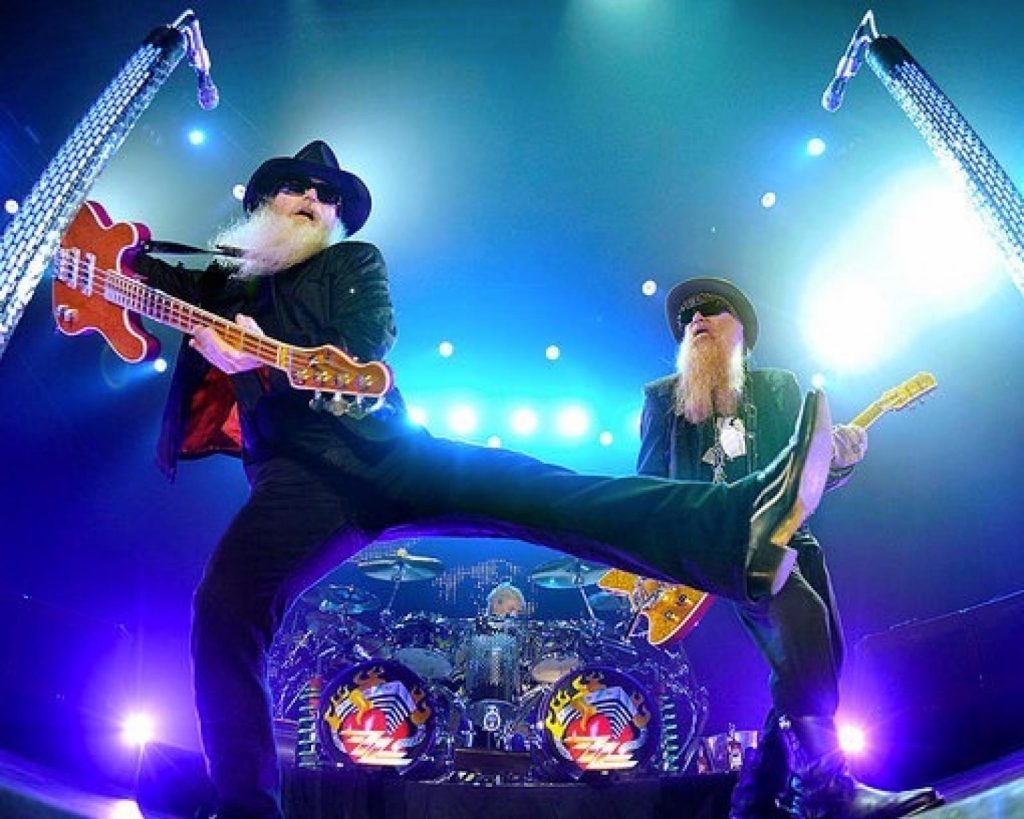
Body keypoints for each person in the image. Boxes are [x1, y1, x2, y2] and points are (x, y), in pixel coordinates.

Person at [128, 141, 835, 819]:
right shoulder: (221, 283)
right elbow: (122, 274)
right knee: (222, 610)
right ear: (260, 203)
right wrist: (92, 273)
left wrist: (256, 353)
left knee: (547, 491)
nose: (315, 199)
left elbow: (363, 350)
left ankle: (737, 526)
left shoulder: (353, 262)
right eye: (299, 187)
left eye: (329, 195)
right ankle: (247, 809)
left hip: (388, 452)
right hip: (296, 476)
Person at [637, 277, 942, 819]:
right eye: (687, 319)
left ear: (742, 331)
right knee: (800, 620)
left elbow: (807, 476)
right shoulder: (663, 399)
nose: (695, 320)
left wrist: (840, 458)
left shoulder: (778, 388)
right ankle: (827, 794)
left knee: (823, 659)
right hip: (716, 543)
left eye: (710, 309)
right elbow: (647, 489)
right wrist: (649, 568)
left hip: (790, 538)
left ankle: (755, 801)